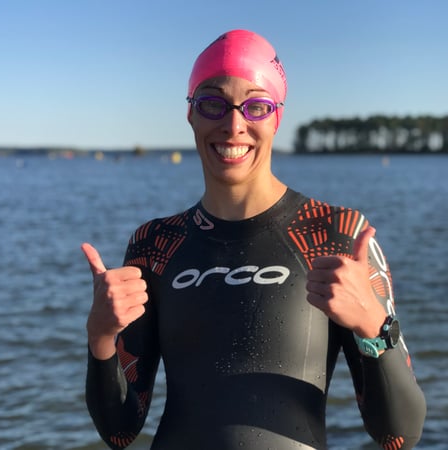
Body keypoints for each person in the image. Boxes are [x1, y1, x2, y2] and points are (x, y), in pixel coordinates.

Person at [81, 29, 426, 450]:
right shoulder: (155, 244)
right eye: (212, 103)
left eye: (256, 106)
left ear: (276, 117)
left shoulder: (336, 235)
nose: (233, 125)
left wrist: (374, 326)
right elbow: (119, 430)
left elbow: (399, 435)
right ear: (191, 113)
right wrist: (99, 336)